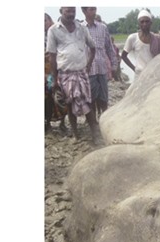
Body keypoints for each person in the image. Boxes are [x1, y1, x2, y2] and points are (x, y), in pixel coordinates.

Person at [46, 7, 102, 145]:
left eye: (73, 11)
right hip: (65, 73)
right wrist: (54, 78)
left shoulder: (82, 28)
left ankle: (95, 134)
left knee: (88, 102)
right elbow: (52, 56)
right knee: (70, 104)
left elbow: (92, 47)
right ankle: (76, 135)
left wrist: (88, 65)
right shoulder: (53, 30)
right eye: (68, 12)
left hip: (81, 72)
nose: (71, 14)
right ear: (61, 11)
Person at [81, 7, 118, 119]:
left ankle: (104, 119)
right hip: (88, 70)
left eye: (94, 9)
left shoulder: (102, 28)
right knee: (91, 98)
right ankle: (93, 122)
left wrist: (114, 65)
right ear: (84, 11)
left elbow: (109, 47)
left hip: (102, 68)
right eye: (90, 9)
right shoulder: (80, 28)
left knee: (103, 98)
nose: (93, 12)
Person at [121, 10, 160, 82]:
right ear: (139, 24)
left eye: (147, 21)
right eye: (142, 22)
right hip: (139, 75)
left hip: (154, 75)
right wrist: (134, 69)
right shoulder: (132, 38)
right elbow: (123, 56)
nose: (144, 24)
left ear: (151, 23)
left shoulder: (157, 39)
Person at [45, 12, 67, 133]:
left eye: (44, 21)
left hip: (59, 70)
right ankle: (47, 123)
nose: (43, 24)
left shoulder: (58, 33)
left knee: (63, 97)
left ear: (50, 20)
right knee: (47, 99)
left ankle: (63, 123)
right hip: (45, 73)